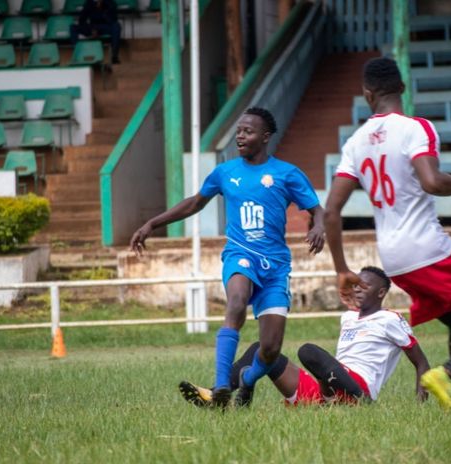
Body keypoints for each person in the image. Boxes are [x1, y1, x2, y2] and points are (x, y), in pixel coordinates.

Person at [323, 57, 451, 412]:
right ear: (402, 87)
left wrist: (341, 269)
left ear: (367, 94)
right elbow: (432, 182)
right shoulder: (416, 128)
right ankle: (445, 373)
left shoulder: (355, 142)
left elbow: (331, 212)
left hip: (394, 260)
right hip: (427, 248)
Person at [130, 107, 325, 408]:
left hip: (275, 266)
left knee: (270, 349)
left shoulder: (286, 173)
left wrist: (319, 226)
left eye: (248, 131)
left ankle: (247, 379)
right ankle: (222, 384)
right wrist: (152, 224)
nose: (240, 136)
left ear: (265, 137)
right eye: (238, 131)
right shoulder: (225, 172)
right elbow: (195, 202)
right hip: (240, 254)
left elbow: (317, 209)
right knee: (236, 302)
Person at [179, 266, 430, 406]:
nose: (358, 289)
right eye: (355, 285)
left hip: (357, 386)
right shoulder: (348, 317)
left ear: (381, 292)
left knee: (308, 351)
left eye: (365, 286)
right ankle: (215, 394)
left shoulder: (390, 319)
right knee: (262, 350)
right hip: (328, 384)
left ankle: (362, 403)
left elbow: (421, 363)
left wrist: (421, 403)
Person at [70, 0, 122, 64]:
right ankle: (77, 55)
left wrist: (103, 8)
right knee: (73, 27)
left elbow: (113, 20)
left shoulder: (110, 3)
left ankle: (114, 56)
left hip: (105, 27)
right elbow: (82, 20)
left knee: (116, 26)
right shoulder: (89, 3)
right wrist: (92, 29)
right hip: (92, 27)